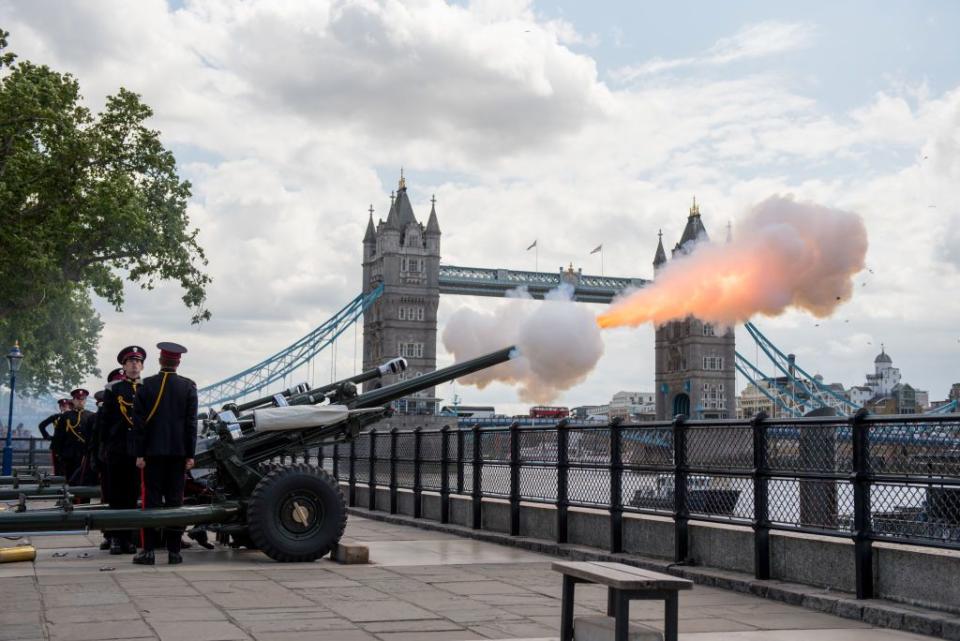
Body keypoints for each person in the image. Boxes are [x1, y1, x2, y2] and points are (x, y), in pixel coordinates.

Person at [132, 342, 197, 566]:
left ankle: (148, 551)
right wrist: (190, 454)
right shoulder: (188, 387)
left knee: (150, 501)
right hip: (178, 454)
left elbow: (138, 424)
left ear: (160, 361)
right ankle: (174, 552)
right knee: (175, 502)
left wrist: (139, 453)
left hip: (152, 454)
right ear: (178, 362)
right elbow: (191, 425)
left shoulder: (146, 385)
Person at [93, 366, 132, 553]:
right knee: (114, 497)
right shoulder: (109, 399)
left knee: (131, 497)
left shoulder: (137, 392)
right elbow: (100, 432)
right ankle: (114, 536)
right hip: (113, 453)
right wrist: (99, 457)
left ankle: (128, 537)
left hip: (133, 451)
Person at [52, 389, 96, 485]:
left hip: (85, 454)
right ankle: (71, 500)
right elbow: (59, 436)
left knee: (85, 481)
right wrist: (59, 454)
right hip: (70, 454)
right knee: (71, 480)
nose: (80, 401)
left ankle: (84, 500)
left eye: (83, 399)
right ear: (73, 400)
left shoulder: (91, 416)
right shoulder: (66, 416)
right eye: (78, 399)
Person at [38, 399, 71, 475]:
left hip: (69, 445)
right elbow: (41, 425)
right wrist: (47, 436)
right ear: (60, 407)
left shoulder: (73, 416)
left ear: (69, 406)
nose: (64, 408)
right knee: (57, 467)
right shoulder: (56, 417)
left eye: (66, 406)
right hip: (57, 445)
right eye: (62, 406)